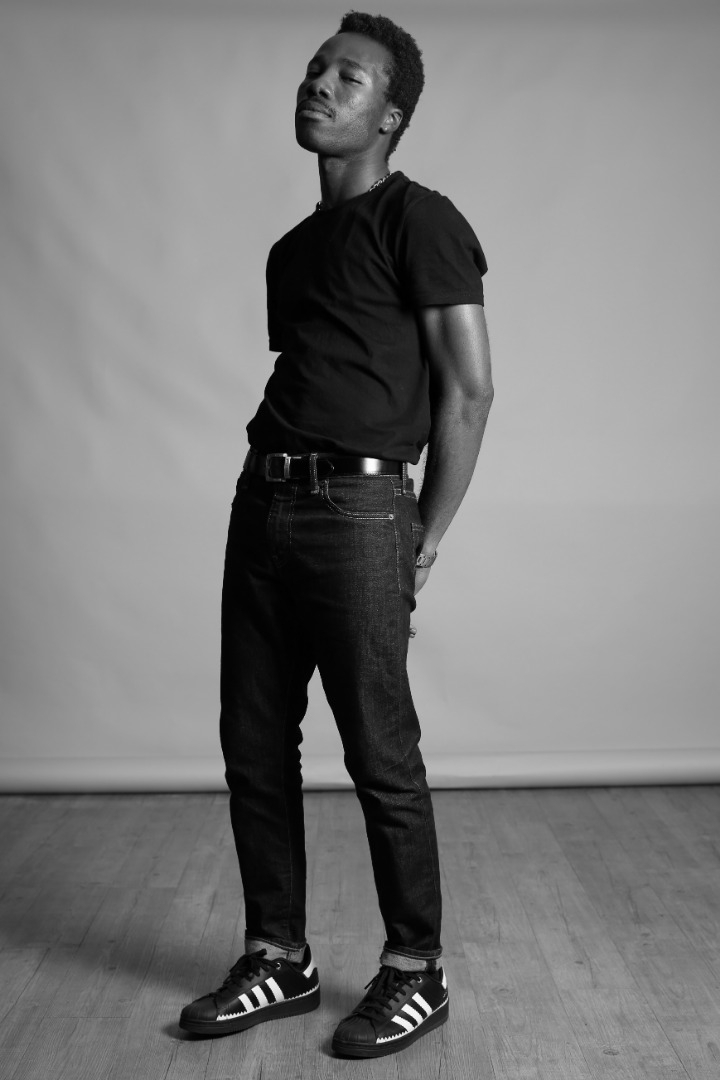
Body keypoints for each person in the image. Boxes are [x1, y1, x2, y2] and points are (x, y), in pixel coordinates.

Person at [179, 10, 493, 1059]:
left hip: (362, 513)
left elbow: (469, 390)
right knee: (253, 743)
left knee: (379, 748)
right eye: (316, 68)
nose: (319, 84)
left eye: (348, 77)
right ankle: (279, 955)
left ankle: (415, 970)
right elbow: (320, 370)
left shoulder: (423, 220)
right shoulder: (293, 250)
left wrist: (423, 532)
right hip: (263, 502)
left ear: (390, 115)